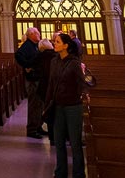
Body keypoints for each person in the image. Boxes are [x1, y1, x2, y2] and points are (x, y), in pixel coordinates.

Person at [47, 32, 86, 178]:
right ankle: (60, 172)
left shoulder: (75, 63)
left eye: (57, 42)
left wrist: (83, 96)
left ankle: (78, 173)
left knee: (75, 143)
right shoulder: (54, 62)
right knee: (59, 142)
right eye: (54, 41)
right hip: (57, 106)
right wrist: (48, 103)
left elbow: (81, 84)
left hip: (73, 106)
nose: (54, 44)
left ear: (65, 45)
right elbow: (51, 84)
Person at [14, 27, 42, 138]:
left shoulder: (35, 45)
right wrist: (28, 65)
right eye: (37, 33)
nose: (39, 35)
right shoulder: (27, 46)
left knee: (39, 104)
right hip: (32, 80)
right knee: (34, 104)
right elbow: (18, 56)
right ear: (31, 35)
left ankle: (38, 126)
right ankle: (32, 129)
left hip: (37, 78)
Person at [35, 38, 57, 139]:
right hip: (55, 87)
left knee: (48, 109)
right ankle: (60, 134)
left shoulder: (39, 57)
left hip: (44, 86)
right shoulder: (56, 56)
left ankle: (52, 136)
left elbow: (37, 70)